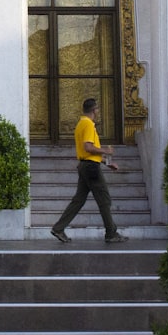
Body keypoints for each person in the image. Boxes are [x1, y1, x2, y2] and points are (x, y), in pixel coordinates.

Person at [50, 98, 128, 243]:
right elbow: (88, 147)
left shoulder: (81, 124)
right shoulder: (88, 124)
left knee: (78, 200)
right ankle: (111, 233)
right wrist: (107, 151)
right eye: (97, 109)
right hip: (91, 168)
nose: (98, 111)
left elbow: (87, 153)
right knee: (104, 200)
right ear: (94, 110)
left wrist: (106, 162)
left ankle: (58, 228)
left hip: (85, 165)